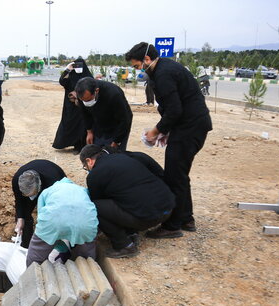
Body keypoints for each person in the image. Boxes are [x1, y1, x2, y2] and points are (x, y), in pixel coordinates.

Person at [125, 42, 213, 238]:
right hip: (188, 126)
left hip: (190, 128)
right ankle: (186, 218)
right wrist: (168, 131)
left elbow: (175, 110)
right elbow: (172, 107)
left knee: (174, 176)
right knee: (179, 174)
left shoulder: (164, 74)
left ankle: (173, 226)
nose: (136, 70)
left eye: (136, 66)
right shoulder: (164, 69)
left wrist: (156, 131)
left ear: (146, 60)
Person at [80, 145, 175, 258]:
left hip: (147, 218)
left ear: (89, 161)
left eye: (85, 167)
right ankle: (131, 232)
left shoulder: (95, 175)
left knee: (94, 206)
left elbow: (99, 201)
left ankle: (124, 245)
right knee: (126, 196)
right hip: (168, 209)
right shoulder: (125, 158)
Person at [26, 177, 98, 266]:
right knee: (86, 255)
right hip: (86, 223)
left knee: (36, 255)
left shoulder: (48, 191)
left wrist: (50, 239)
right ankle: (88, 269)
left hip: (53, 222)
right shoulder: (82, 190)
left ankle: (32, 271)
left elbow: (41, 217)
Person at [12, 160, 67, 248]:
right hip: (34, 186)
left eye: (32, 194)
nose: (31, 198)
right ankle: (26, 244)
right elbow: (19, 201)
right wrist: (20, 219)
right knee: (25, 215)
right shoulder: (16, 180)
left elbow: (58, 207)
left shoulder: (55, 182)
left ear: (40, 186)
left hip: (51, 182)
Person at [74, 77, 133, 151]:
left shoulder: (114, 94)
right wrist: (89, 132)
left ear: (96, 91)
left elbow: (124, 120)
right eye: (83, 101)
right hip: (98, 122)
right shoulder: (82, 94)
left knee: (114, 155)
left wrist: (116, 141)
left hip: (117, 124)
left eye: (89, 100)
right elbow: (85, 113)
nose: (86, 103)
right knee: (96, 152)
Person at [53, 57, 93, 153]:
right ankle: (73, 144)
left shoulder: (87, 76)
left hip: (83, 106)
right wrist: (67, 70)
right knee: (70, 124)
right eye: (76, 65)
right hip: (70, 106)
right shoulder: (71, 75)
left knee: (83, 125)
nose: (78, 67)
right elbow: (62, 81)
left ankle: (81, 146)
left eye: (80, 65)